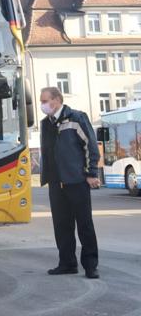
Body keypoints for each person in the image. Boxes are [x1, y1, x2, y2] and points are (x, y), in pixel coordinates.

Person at [39, 86, 100, 279]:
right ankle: (67, 263)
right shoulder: (46, 123)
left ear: (56, 100)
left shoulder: (76, 118)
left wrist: (91, 173)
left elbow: (90, 145)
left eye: (44, 101)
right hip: (56, 183)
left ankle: (90, 265)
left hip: (76, 181)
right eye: (41, 101)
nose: (42, 105)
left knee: (84, 224)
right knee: (61, 225)